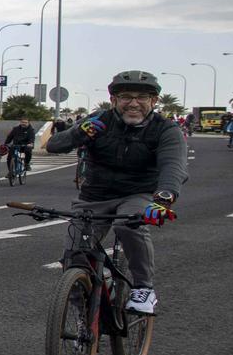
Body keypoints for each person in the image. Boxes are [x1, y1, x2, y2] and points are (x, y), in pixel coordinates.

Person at [45, 70, 183, 315]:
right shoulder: (100, 120)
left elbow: (173, 166)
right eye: (125, 97)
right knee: (74, 256)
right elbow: (55, 145)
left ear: (153, 102)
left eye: (142, 97)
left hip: (137, 194)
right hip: (94, 196)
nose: (133, 103)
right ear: (114, 100)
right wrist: (79, 132)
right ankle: (87, 318)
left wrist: (163, 199)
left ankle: (143, 287)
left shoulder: (166, 130)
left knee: (128, 225)